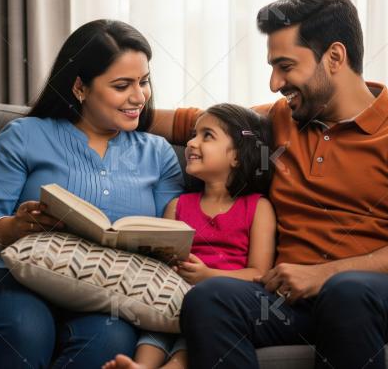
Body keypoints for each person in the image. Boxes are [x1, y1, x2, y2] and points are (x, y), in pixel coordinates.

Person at [148, 0, 388, 369]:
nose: (274, 83)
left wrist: (324, 274)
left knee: (346, 291)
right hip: (292, 304)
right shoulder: (281, 121)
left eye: (285, 66)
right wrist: (112, 108)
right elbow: (196, 122)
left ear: (334, 57)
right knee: (209, 297)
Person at [0, 19, 185, 369]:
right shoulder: (25, 136)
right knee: (28, 330)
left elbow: (171, 236)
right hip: (5, 276)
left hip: (103, 290)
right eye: (122, 85)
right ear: (80, 87)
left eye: (144, 82)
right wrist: (11, 229)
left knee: (112, 341)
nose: (139, 97)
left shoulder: (158, 155)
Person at [103, 104, 277, 369]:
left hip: (220, 303)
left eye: (207, 136)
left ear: (238, 156)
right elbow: (158, 262)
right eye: (194, 134)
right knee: (158, 321)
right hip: (172, 296)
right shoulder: (178, 206)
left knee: (199, 323)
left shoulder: (257, 208)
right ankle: (142, 366)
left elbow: (259, 274)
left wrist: (207, 276)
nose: (192, 143)